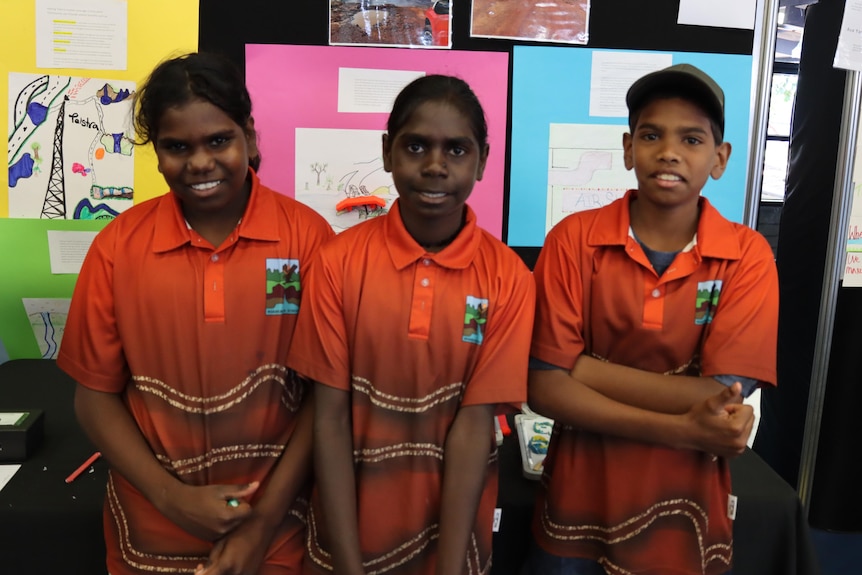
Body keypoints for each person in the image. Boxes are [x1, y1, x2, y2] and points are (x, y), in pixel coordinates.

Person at [57, 52, 334, 575]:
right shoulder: (118, 248)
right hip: (151, 527)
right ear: (157, 153)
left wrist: (262, 523)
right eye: (177, 147)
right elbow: (94, 397)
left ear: (249, 137)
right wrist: (169, 497)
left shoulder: (308, 239)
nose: (200, 162)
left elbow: (327, 395)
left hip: (279, 529)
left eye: (218, 141)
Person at [527, 63, 779, 575]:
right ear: (627, 149)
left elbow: (725, 391)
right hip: (581, 490)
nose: (669, 151)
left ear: (720, 158)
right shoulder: (573, 240)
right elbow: (543, 388)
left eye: (691, 138)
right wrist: (684, 429)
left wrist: (586, 369)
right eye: (651, 134)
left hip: (683, 497)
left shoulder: (746, 255)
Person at [287, 74, 535, 575]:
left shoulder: (509, 278)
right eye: (416, 146)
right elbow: (329, 419)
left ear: (483, 159)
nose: (435, 166)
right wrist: (348, 566)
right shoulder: (337, 264)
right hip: (346, 538)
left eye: (457, 150)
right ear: (387, 152)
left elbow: (473, 425)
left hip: (451, 542)